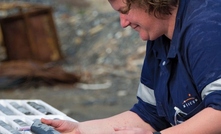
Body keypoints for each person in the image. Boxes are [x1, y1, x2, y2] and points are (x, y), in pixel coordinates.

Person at [41, 0, 221, 133]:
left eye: (125, 10)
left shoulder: (207, 29)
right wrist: (80, 130)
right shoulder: (160, 35)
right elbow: (149, 115)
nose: (123, 23)